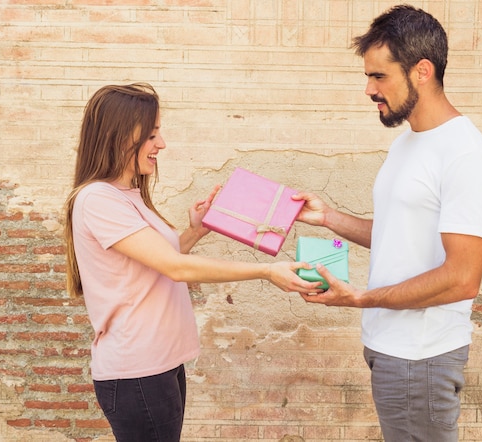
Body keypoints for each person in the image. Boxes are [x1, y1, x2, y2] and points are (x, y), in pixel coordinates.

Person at [292, 5, 482, 441]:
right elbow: (399, 235)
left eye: (380, 76)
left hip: (419, 357)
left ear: (422, 71)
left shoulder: (466, 157)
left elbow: (462, 279)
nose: (369, 89)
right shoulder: (409, 143)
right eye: (367, 76)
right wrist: (329, 218)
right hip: (391, 349)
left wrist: (362, 299)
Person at [63, 83, 320, 442]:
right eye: (152, 135)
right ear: (120, 136)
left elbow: (151, 267)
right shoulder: (98, 199)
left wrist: (194, 232)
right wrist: (265, 271)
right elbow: (175, 268)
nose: (162, 144)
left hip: (158, 365)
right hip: (137, 370)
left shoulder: (126, 196)